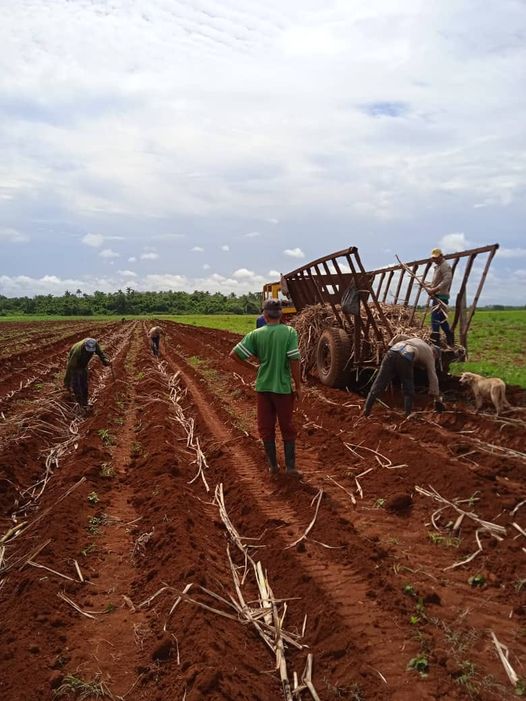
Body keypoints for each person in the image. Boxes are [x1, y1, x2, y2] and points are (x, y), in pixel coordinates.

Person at [230, 299, 303, 476]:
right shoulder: (289, 332)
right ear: (281, 314)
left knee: (266, 427)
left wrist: (253, 367)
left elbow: (234, 354)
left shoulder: (256, 334)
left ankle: (273, 466)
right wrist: (298, 385)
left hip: (263, 388)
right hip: (283, 388)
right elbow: (294, 360)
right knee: (287, 426)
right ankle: (291, 468)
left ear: (264, 314)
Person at [363, 335, 445, 417]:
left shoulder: (418, 340)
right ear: (435, 354)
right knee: (408, 385)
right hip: (406, 356)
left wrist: (390, 346)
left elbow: (399, 336)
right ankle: (407, 413)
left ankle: (366, 410)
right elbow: (432, 375)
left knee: (379, 383)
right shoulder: (430, 355)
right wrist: (436, 398)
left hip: (392, 352)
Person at [64, 338, 111, 409]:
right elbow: (70, 367)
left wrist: (105, 360)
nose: (89, 352)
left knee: (84, 383)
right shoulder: (77, 351)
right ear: (84, 346)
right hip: (76, 365)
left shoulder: (95, 344)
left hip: (84, 365)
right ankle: (80, 404)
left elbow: (100, 353)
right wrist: (67, 381)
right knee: (76, 384)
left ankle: (85, 402)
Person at [427, 248, 454, 347]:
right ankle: (450, 339)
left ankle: (436, 344)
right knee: (442, 320)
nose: (435, 260)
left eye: (437, 257)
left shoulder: (445, 266)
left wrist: (434, 290)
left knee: (435, 320)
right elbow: (438, 281)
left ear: (441, 256)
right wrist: (430, 287)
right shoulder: (438, 267)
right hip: (437, 295)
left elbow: (447, 279)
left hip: (441, 297)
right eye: (433, 258)